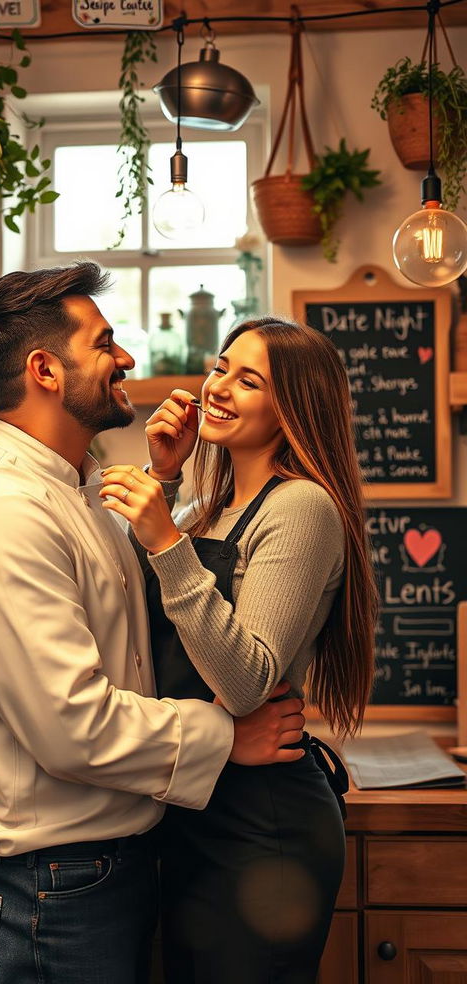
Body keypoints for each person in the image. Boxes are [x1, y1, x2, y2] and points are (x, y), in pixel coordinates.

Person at [0, 266, 307, 984]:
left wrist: (167, 479)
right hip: (38, 893)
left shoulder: (79, 487)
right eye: (105, 343)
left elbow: (133, 617)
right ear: (45, 371)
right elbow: (72, 726)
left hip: (84, 877)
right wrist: (228, 736)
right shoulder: (4, 515)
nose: (126, 359)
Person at [100, 316, 378, 984]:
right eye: (221, 366)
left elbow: (247, 682)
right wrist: (167, 478)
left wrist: (167, 539)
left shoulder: (300, 507)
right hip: (194, 805)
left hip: (263, 829)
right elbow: (148, 621)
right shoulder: (209, 505)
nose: (219, 386)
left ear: (293, 408)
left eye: (248, 380)